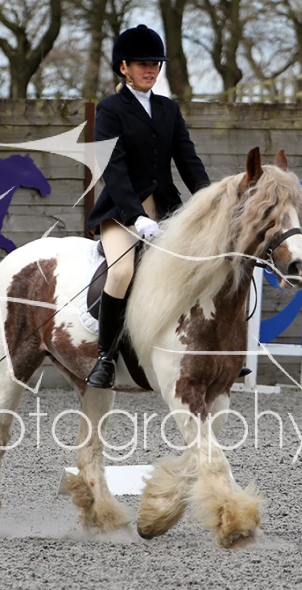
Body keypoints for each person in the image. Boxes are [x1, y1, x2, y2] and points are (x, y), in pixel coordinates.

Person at [84, 24, 212, 389]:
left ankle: (209, 351)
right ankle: (105, 358)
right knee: (122, 272)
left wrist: (209, 201)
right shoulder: (109, 110)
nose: (151, 70)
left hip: (167, 210)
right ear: (123, 66)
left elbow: (188, 161)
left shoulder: (168, 109)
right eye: (143, 64)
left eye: (156, 64)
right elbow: (113, 168)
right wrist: (135, 216)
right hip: (120, 213)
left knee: (200, 268)